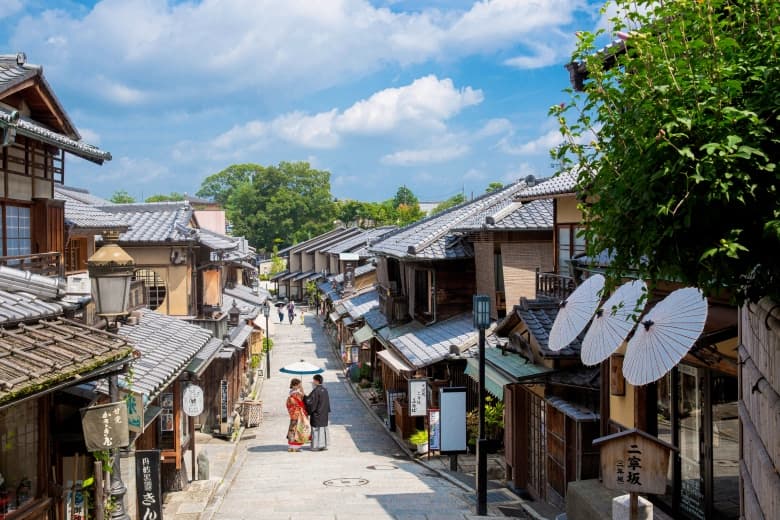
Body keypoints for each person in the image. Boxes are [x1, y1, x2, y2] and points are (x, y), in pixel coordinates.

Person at [305, 374, 331, 451]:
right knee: (323, 429)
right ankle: (323, 445)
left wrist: (304, 397)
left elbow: (310, 402)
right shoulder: (325, 390)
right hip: (324, 413)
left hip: (317, 414)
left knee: (316, 430)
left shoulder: (316, 391)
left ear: (316, 381)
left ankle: (316, 446)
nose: (313, 382)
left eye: (313, 380)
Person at [285, 378, 310, 452]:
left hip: (293, 414)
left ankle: (291, 446)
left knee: (292, 429)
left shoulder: (291, 393)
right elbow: (304, 398)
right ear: (295, 385)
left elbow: (289, 405)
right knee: (298, 430)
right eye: (299, 385)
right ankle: (295, 447)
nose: (300, 386)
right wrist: (302, 389)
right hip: (298, 414)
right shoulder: (297, 394)